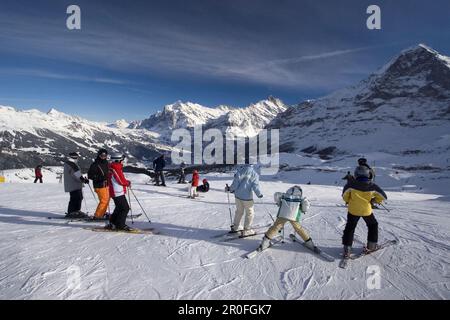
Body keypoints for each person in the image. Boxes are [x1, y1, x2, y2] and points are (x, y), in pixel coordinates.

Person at [341, 165, 387, 258]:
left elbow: (344, 195)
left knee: (350, 228)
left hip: (353, 210)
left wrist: (349, 200)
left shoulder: (350, 184)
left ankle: (347, 249)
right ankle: (371, 246)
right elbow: (383, 197)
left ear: (356, 174)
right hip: (366, 211)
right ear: (368, 174)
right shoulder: (372, 186)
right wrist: (374, 200)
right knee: (373, 225)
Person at [258, 186, 316, 251]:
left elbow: (276, 194)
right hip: (294, 216)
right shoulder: (301, 198)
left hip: (283, 214)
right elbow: (306, 204)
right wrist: (304, 210)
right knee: (298, 228)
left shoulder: (284, 195)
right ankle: (309, 243)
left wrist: (279, 202)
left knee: (276, 227)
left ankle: (265, 242)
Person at [225, 164, 263, 236]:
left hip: (238, 196)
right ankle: (247, 230)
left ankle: (236, 227)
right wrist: (259, 194)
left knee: (239, 211)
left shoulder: (240, 171)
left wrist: (230, 189)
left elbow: (235, 184)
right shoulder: (254, 174)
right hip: (247, 197)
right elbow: (255, 186)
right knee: (250, 213)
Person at [106, 153, 132, 231]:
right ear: (118, 160)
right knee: (125, 208)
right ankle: (120, 225)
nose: (123, 161)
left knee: (119, 207)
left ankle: (113, 222)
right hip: (117, 191)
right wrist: (127, 183)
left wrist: (126, 182)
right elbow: (120, 180)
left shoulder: (113, 167)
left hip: (115, 190)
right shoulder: (116, 167)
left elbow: (118, 179)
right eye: (122, 160)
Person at [64, 152, 89, 218]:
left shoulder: (68, 163)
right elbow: (77, 174)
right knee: (77, 197)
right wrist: (83, 179)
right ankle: (73, 212)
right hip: (74, 184)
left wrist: (82, 179)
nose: (77, 159)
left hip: (71, 184)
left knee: (75, 197)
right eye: (76, 157)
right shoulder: (72, 164)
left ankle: (74, 211)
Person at [88, 148, 110, 220]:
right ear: (99, 155)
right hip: (99, 185)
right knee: (104, 201)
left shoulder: (106, 163)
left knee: (107, 200)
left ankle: (102, 213)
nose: (103, 157)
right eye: (102, 155)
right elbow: (90, 175)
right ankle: (98, 216)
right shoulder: (95, 164)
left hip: (106, 185)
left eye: (105, 155)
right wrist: (100, 178)